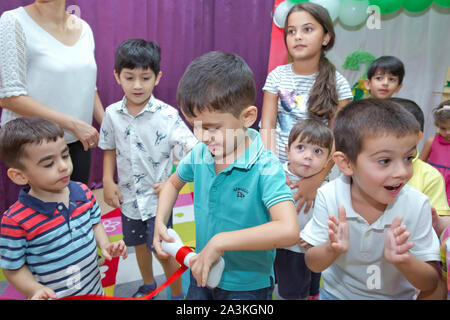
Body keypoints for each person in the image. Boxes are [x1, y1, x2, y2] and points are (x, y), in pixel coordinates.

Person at [153, 51, 299, 300]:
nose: (201, 137)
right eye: (195, 126)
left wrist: (221, 242)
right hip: (201, 270)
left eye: (212, 128)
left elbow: (288, 230)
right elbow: (172, 184)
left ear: (247, 117)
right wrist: (160, 221)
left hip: (247, 285)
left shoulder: (265, 167)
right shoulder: (201, 153)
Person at [301, 99, 441, 300]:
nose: (402, 172)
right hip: (335, 295)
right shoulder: (330, 194)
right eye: (385, 161)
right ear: (346, 163)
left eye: (408, 158)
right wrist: (331, 249)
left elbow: (430, 282)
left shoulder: (417, 204)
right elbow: (312, 263)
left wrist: (404, 261)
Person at [99, 39, 197, 299]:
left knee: (163, 250)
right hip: (129, 199)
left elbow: (193, 151)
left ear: (158, 77)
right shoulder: (111, 114)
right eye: (129, 77)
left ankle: (177, 295)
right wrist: (108, 181)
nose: (137, 85)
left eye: (145, 77)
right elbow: (108, 147)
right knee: (138, 247)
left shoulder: (167, 115)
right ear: (117, 76)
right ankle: (148, 284)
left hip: (158, 201)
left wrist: (173, 181)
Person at [0, 117, 127, 300]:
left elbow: (94, 224)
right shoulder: (15, 220)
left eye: (65, 155)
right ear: (19, 176)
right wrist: (33, 290)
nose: (63, 167)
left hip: (93, 292)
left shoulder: (83, 192)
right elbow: (13, 267)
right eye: (48, 163)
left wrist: (105, 244)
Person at [260, 2, 352, 214]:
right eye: (291, 31)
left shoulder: (338, 84)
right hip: (279, 172)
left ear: (326, 37)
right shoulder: (276, 76)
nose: (298, 36)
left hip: (318, 176)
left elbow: (337, 138)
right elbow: (267, 125)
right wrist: (273, 170)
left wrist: (316, 179)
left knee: (307, 239)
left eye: (307, 29)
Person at [0, 0, 104, 185]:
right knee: (46, 211)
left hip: (79, 141)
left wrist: (109, 125)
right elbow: (10, 97)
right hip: (35, 145)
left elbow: (89, 86)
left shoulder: (84, 28)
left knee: (77, 208)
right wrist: (73, 124)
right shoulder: (13, 21)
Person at [274, 118, 333, 300]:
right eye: (301, 148)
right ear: (287, 151)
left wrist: (321, 237)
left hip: (305, 248)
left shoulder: (326, 185)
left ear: (328, 160)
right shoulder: (276, 174)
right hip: (277, 245)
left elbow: (329, 217)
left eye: (318, 151)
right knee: (284, 286)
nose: (308, 156)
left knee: (306, 286)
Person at [389, 98, 450, 236]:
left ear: (417, 136)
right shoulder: (360, 168)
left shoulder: (430, 176)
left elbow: (441, 221)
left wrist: (438, 223)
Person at [420, 100, 450, 206]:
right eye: (443, 128)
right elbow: (418, 165)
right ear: (437, 125)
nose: (447, 132)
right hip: (432, 187)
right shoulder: (431, 142)